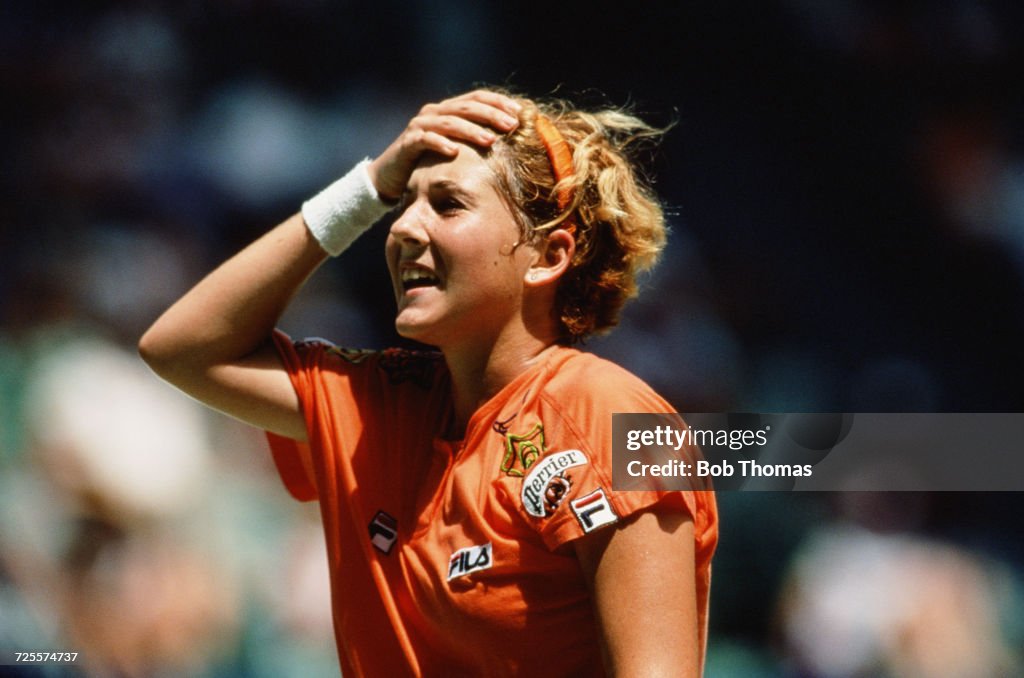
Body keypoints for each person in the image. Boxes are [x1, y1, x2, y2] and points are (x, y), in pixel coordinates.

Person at [139, 88, 717, 676]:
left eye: (448, 204)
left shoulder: (617, 419)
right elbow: (180, 349)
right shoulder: (379, 405)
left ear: (548, 256)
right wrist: (367, 189)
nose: (404, 228)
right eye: (402, 204)